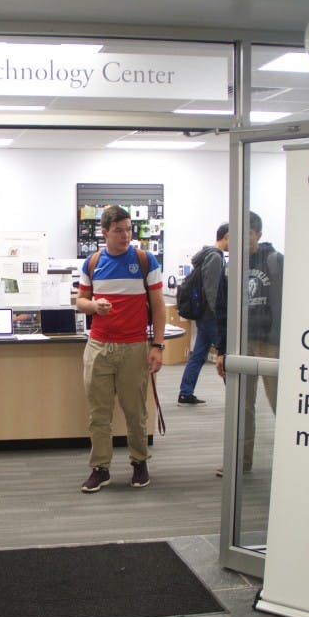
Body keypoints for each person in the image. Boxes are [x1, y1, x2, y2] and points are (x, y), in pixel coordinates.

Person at [76, 205, 166, 493]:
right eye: (119, 230)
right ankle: (100, 468)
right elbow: (80, 301)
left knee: (135, 411)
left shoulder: (144, 260)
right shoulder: (92, 263)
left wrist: (158, 346)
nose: (126, 235)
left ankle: (139, 462)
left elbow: (159, 306)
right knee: (98, 413)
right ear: (104, 232)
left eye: (128, 229)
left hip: (134, 347)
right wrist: (94, 306)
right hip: (99, 346)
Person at [215, 212, 282, 475]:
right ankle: (241, 460)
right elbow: (223, 310)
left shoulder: (276, 262)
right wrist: (222, 350)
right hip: (240, 344)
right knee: (242, 406)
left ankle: (292, 460)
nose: (243, 239)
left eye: (248, 234)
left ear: (259, 234)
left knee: (279, 403)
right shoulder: (231, 267)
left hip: (270, 344)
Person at [177, 223, 229, 404]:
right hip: (211, 317)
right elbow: (212, 289)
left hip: (204, 315)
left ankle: (185, 392)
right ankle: (235, 397)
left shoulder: (206, 256)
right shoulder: (215, 258)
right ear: (227, 236)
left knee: (199, 354)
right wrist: (220, 314)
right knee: (226, 354)